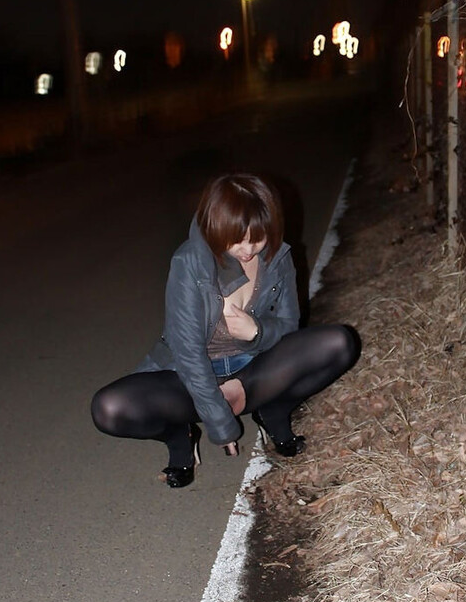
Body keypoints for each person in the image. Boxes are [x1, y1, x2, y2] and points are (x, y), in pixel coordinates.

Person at [91, 173, 360, 487]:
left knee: (339, 343)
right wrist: (220, 422)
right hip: (188, 377)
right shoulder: (190, 262)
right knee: (109, 408)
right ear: (216, 227)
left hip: (254, 369)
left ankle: (273, 410)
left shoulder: (277, 256)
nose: (248, 249)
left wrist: (256, 332)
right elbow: (188, 353)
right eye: (237, 239)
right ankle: (179, 437)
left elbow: (289, 325)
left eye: (257, 238)